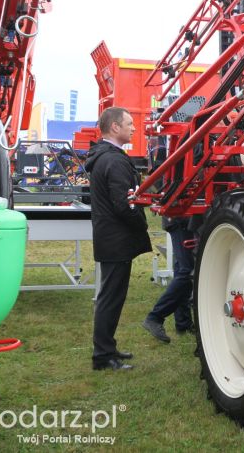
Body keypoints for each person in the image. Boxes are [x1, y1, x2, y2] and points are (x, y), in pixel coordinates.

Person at [84, 107, 151, 371]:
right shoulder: (112, 160)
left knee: (111, 296)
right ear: (114, 128)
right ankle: (102, 355)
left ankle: (107, 348)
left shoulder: (106, 157)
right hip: (116, 240)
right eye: (130, 124)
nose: (134, 128)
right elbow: (124, 204)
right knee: (110, 298)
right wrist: (142, 224)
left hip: (111, 238)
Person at [142, 216, 195, 343]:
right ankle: (155, 317)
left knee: (182, 269)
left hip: (181, 218)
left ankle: (183, 323)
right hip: (181, 218)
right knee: (187, 271)